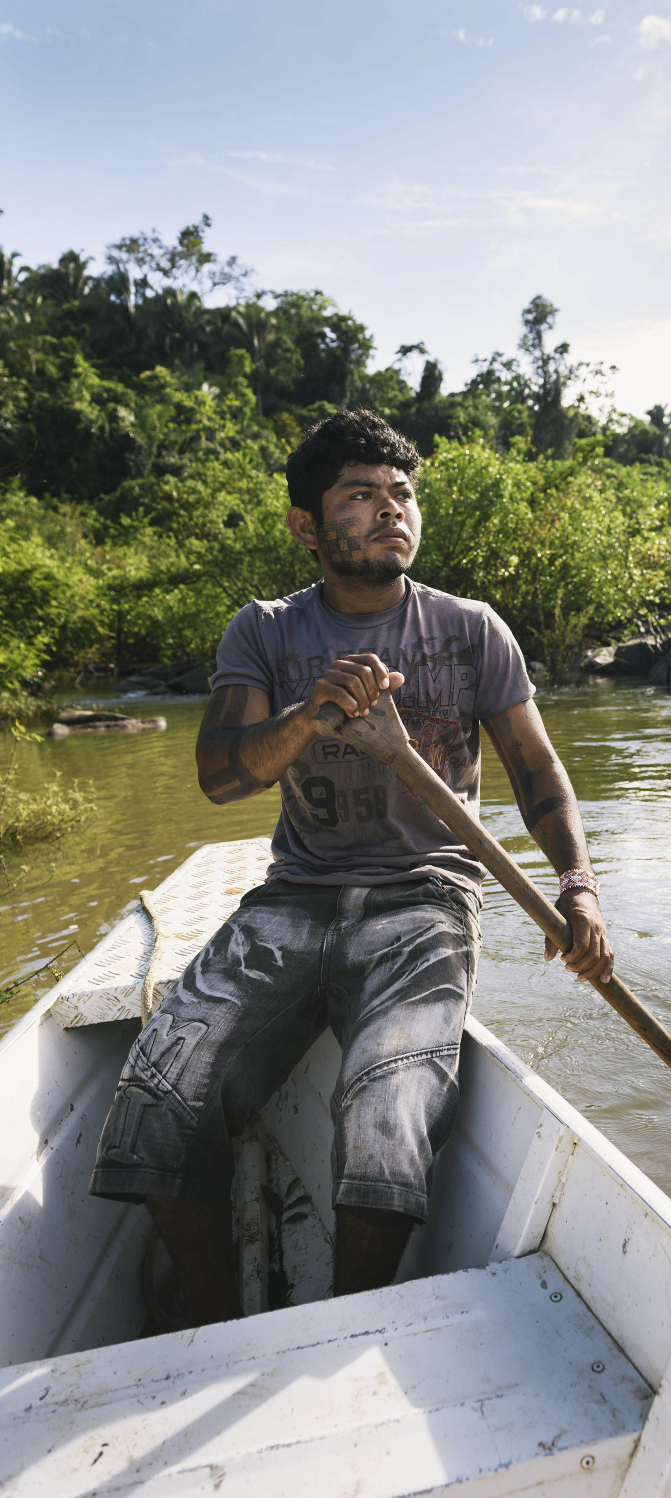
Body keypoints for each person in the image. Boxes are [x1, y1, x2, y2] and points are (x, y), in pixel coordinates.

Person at [89, 409, 614, 1326]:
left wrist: (578, 888)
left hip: (426, 902)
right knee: (155, 1098)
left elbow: (539, 773)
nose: (390, 512)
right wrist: (308, 714)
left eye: (402, 495)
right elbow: (220, 778)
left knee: (388, 1115)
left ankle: (338, 1327)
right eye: (361, 496)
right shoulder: (264, 631)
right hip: (292, 900)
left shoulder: (470, 630)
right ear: (306, 524)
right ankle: (217, 1328)